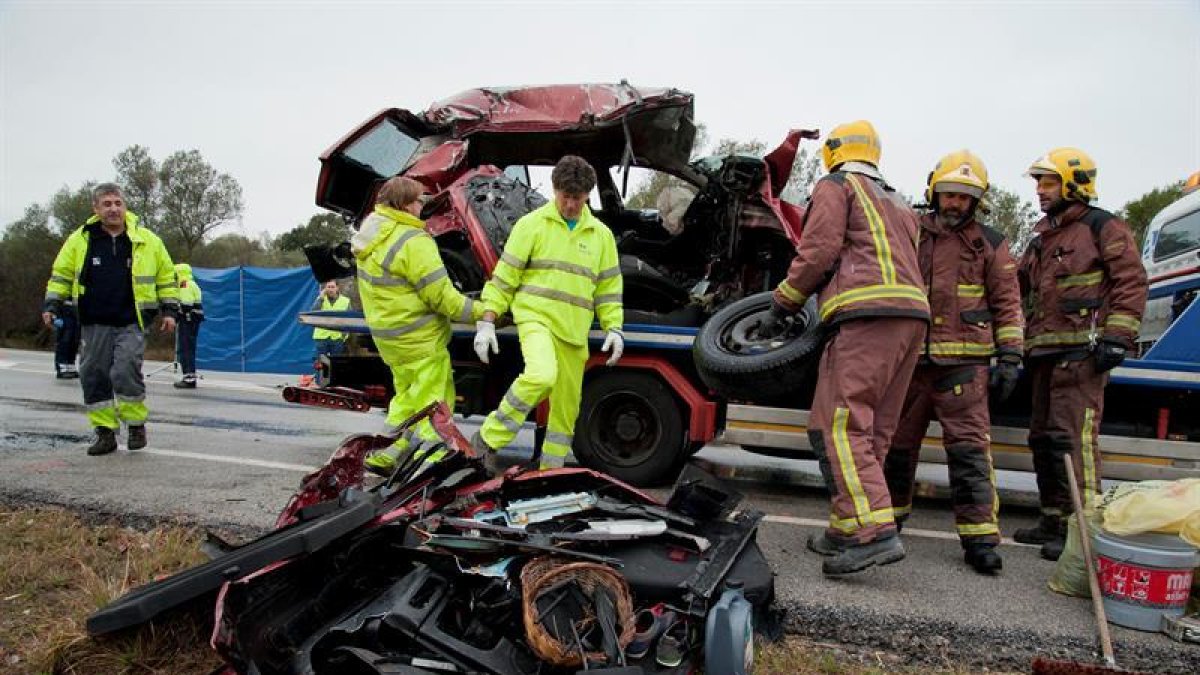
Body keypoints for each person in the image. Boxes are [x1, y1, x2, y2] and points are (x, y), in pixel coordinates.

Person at [759, 120, 929, 577]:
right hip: (910, 319)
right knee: (871, 431)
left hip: (864, 315)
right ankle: (845, 525)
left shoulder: (836, 185)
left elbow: (818, 250)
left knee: (838, 424)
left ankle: (875, 533)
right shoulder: (898, 200)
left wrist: (785, 300)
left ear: (834, 151)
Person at [881, 151, 1023, 575]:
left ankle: (980, 540)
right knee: (895, 450)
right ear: (934, 192)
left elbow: (1008, 302)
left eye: (965, 196)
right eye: (949, 194)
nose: (956, 203)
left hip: (965, 363)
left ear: (977, 200)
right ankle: (888, 523)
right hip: (910, 362)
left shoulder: (990, 242)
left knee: (969, 454)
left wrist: (1011, 354)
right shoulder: (910, 230)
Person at [1015, 148, 1147, 559]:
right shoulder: (1042, 238)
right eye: (1038, 182)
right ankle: (1053, 519)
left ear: (1074, 184)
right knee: (1043, 439)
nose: (1039, 190)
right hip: (1043, 354)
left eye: (1048, 182)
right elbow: (1017, 289)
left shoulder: (1102, 226)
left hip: (1082, 353)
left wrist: (1117, 337)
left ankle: (1083, 533)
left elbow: (1130, 280)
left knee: (1074, 442)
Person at [472, 155, 624, 472]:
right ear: (555, 190)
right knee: (541, 375)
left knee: (566, 408)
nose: (570, 205)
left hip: (574, 330)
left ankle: (550, 472)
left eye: (577, 199)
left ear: (587, 196)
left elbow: (609, 288)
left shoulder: (601, 236)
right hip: (536, 318)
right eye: (565, 196)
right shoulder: (531, 226)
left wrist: (614, 328)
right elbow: (505, 278)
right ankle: (488, 439)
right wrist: (487, 320)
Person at [353, 176, 485, 475]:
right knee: (433, 406)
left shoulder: (370, 236)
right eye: (418, 201)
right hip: (421, 340)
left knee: (407, 399)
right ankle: (426, 466)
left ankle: (387, 453)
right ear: (406, 204)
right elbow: (445, 301)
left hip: (391, 340)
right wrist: (486, 312)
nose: (422, 207)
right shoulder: (414, 242)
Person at [42, 183, 179, 456]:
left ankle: (136, 425)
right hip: (94, 322)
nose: (114, 209)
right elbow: (62, 274)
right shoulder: (81, 239)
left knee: (125, 370)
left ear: (125, 206)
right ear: (96, 209)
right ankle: (105, 433)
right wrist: (52, 304)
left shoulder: (148, 240)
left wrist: (170, 311)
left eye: (118, 203)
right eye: (107, 204)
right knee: (93, 374)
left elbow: (166, 276)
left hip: (132, 320)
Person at [173, 263, 204, 389]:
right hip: (192, 321)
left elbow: (186, 305)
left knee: (186, 349)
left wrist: (174, 310)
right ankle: (189, 376)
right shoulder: (191, 283)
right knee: (188, 348)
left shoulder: (184, 284)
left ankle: (189, 378)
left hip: (188, 321)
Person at [311, 280, 350, 361]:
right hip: (321, 337)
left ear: (337, 288)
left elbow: (349, 319)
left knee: (336, 364)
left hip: (337, 338)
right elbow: (313, 313)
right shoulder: (320, 299)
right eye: (328, 287)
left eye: (332, 287)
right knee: (320, 364)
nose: (330, 289)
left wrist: (344, 335)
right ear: (325, 288)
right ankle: (320, 374)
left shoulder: (346, 301)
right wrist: (321, 298)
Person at [52, 299, 81, 379]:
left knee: (74, 341)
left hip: (75, 310)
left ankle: (70, 365)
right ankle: (61, 367)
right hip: (64, 310)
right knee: (65, 340)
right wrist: (54, 314)